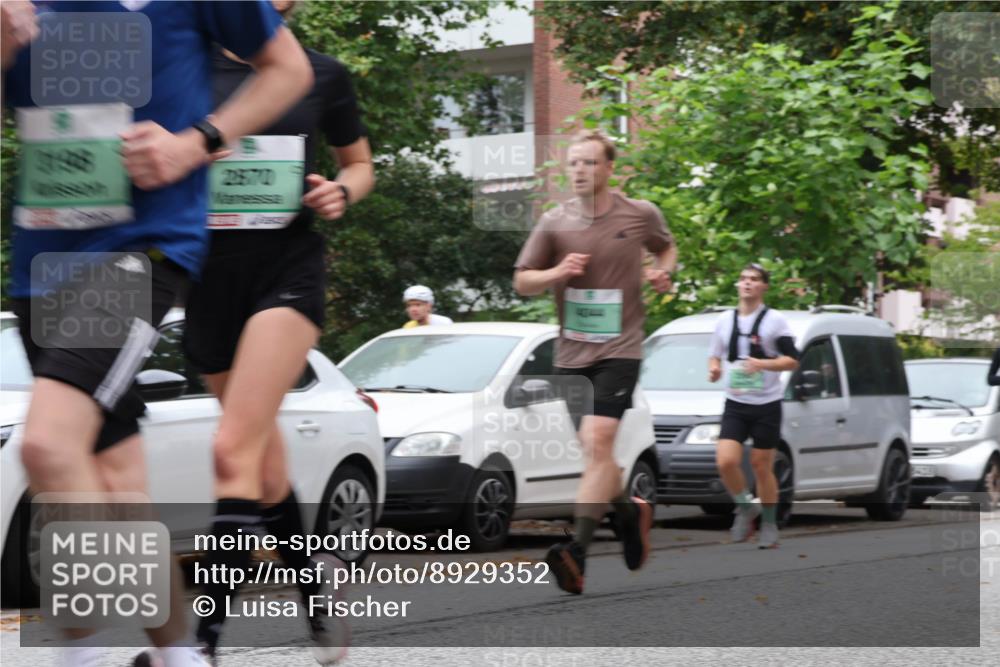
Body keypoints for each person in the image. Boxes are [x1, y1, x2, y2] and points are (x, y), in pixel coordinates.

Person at [2, 3, 313, 667]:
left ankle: (77, 657)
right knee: (118, 486)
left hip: (141, 249)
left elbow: (288, 69)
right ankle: (184, 657)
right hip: (41, 266)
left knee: (49, 445)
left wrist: (195, 141)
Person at [180, 0, 375, 664]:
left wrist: (340, 192)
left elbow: (359, 164)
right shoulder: (184, 67)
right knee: (261, 468)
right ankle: (316, 595)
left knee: (232, 446)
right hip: (207, 279)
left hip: (286, 271)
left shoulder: (321, 74)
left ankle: (200, 643)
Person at [513, 130, 677, 594]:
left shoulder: (639, 214)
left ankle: (576, 552)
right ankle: (630, 515)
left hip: (620, 350)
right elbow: (523, 282)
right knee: (597, 455)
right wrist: (557, 273)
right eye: (573, 164)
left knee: (597, 439)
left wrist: (664, 272)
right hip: (571, 354)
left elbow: (665, 247)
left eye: (589, 163)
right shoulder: (554, 222)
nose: (580, 171)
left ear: (608, 168)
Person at [708, 263, 800, 549]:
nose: (747, 283)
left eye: (754, 279)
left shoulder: (775, 320)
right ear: (738, 285)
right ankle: (746, 506)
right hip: (736, 403)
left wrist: (763, 363)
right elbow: (714, 355)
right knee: (725, 461)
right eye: (743, 278)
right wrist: (714, 370)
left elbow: (793, 359)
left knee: (762, 466)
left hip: (767, 404)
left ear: (764, 287)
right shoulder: (724, 320)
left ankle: (769, 523)